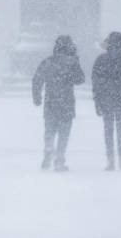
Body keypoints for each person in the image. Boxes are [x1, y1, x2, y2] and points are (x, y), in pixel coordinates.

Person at [32, 35, 86, 171]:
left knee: (49, 130)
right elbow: (80, 79)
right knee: (64, 133)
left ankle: (48, 150)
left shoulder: (48, 62)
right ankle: (59, 159)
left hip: (50, 103)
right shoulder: (71, 63)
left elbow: (37, 79)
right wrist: (75, 61)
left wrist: (37, 96)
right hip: (66, 103)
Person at [92, 31, 121, 171]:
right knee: (120, 129)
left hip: (106, 100)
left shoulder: (100, 60)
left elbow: (96, 83)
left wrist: (97, 101)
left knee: (108, 130)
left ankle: (110, 160)